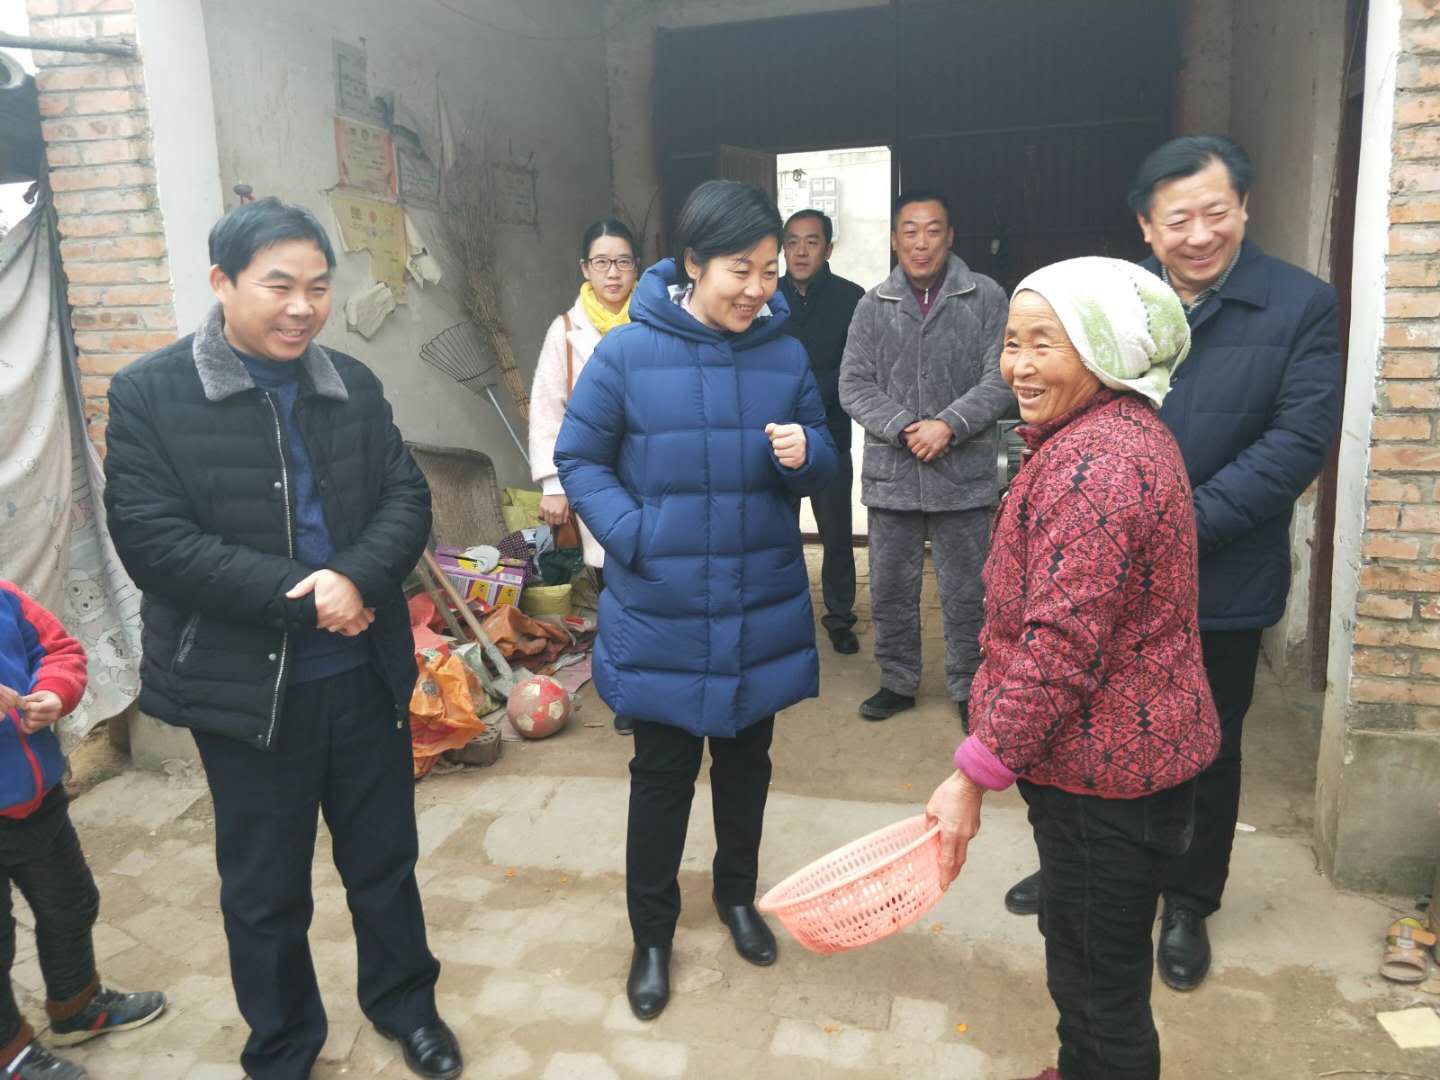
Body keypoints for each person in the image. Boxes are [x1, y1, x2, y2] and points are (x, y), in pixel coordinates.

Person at [102, 199, 462, 1080]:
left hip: (362, 672)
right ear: (222, 283)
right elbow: (154, 541)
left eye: (318, 287)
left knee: (385, 862)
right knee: (265, 889)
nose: (303, 308)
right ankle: (283, 1045)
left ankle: (406, 1005)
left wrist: (355, 579)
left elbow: (405, 498)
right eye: (279, 286)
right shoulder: (152, 394)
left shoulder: (352, 385)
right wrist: (309, 601)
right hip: (245, 692)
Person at [1001, 137, 1342, 994]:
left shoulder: (1299, 304)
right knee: (1077, 723)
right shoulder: (1111, 300)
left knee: (1203, 746)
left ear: (1245, 209)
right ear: (1146, 227)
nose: (1198, 234)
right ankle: (1075, 862)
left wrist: (1168, 527)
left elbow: (1296, 443)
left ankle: (1188, 898)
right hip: (1095, 569)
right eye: (1177, 219)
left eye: (1215, 212)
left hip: (1220, 576)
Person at [926, 258, 1220, 1080]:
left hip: (1108, 783)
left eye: (1043, 344)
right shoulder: (1112, 434)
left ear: (1103, 349)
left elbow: (1059, 651)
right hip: (1118, 764)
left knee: (1100, 993)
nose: (1017, 366)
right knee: (1089, 963)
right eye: (1011, 343)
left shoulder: (1097, 464)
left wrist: (973, 776)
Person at [555, 179, 837, 1021]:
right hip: (664, 606)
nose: (757, 288)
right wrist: (632, 534)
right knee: (663, 776)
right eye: (739, 270)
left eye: (768, 270)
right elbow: (579, 457)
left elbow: (826, 456)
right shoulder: (627, 354)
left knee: (747, 765)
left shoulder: (784, 354)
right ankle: (652, 936)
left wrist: (806, 452)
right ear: (692, 264)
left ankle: (737, 897)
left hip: (757, 600)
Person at [838, 189, 1012, 727]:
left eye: (932, 230)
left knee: (968, 591)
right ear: (895, 240)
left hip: (963, 474)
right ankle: (897, 680)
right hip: (894, 474)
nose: (921, 242)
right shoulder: (874, 304)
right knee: (890, 587)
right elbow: (853, 384)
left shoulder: (985, 296)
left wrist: (950, 425)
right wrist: (904, 427)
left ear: (950, 236)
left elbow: (1002, 376)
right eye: (910, 231)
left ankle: (970, 684)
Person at [0, 581, 165, 1080]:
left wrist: (54, 691)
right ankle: (10, 1054)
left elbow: (58, 650)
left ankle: (76, 1006)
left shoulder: (5, 597)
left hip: (38, 801)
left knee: (71, 902)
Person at [528, 218, 640, 733]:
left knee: (652, 586)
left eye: (622, 262)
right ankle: (626, 695)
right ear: (585, 268)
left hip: (648, 472)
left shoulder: (656, 321)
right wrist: (554, 484)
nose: (612, 273)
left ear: (636, 267)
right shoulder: (565, 331)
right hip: (595, 476)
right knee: (612, 591)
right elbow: (547, 409)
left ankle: (653, 684)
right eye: (602, 262)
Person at [779, 209, 865, 655]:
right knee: (779, 532)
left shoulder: (852, 299)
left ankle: (839, 617)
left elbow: (856, 369)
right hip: (774, 435)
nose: (801, 251)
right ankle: (786, 616)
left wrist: (804, 393)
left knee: (836, 532)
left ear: (828, 248)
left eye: (811, 242)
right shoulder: (766, 297)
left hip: (830, 434)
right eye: (792, 241)